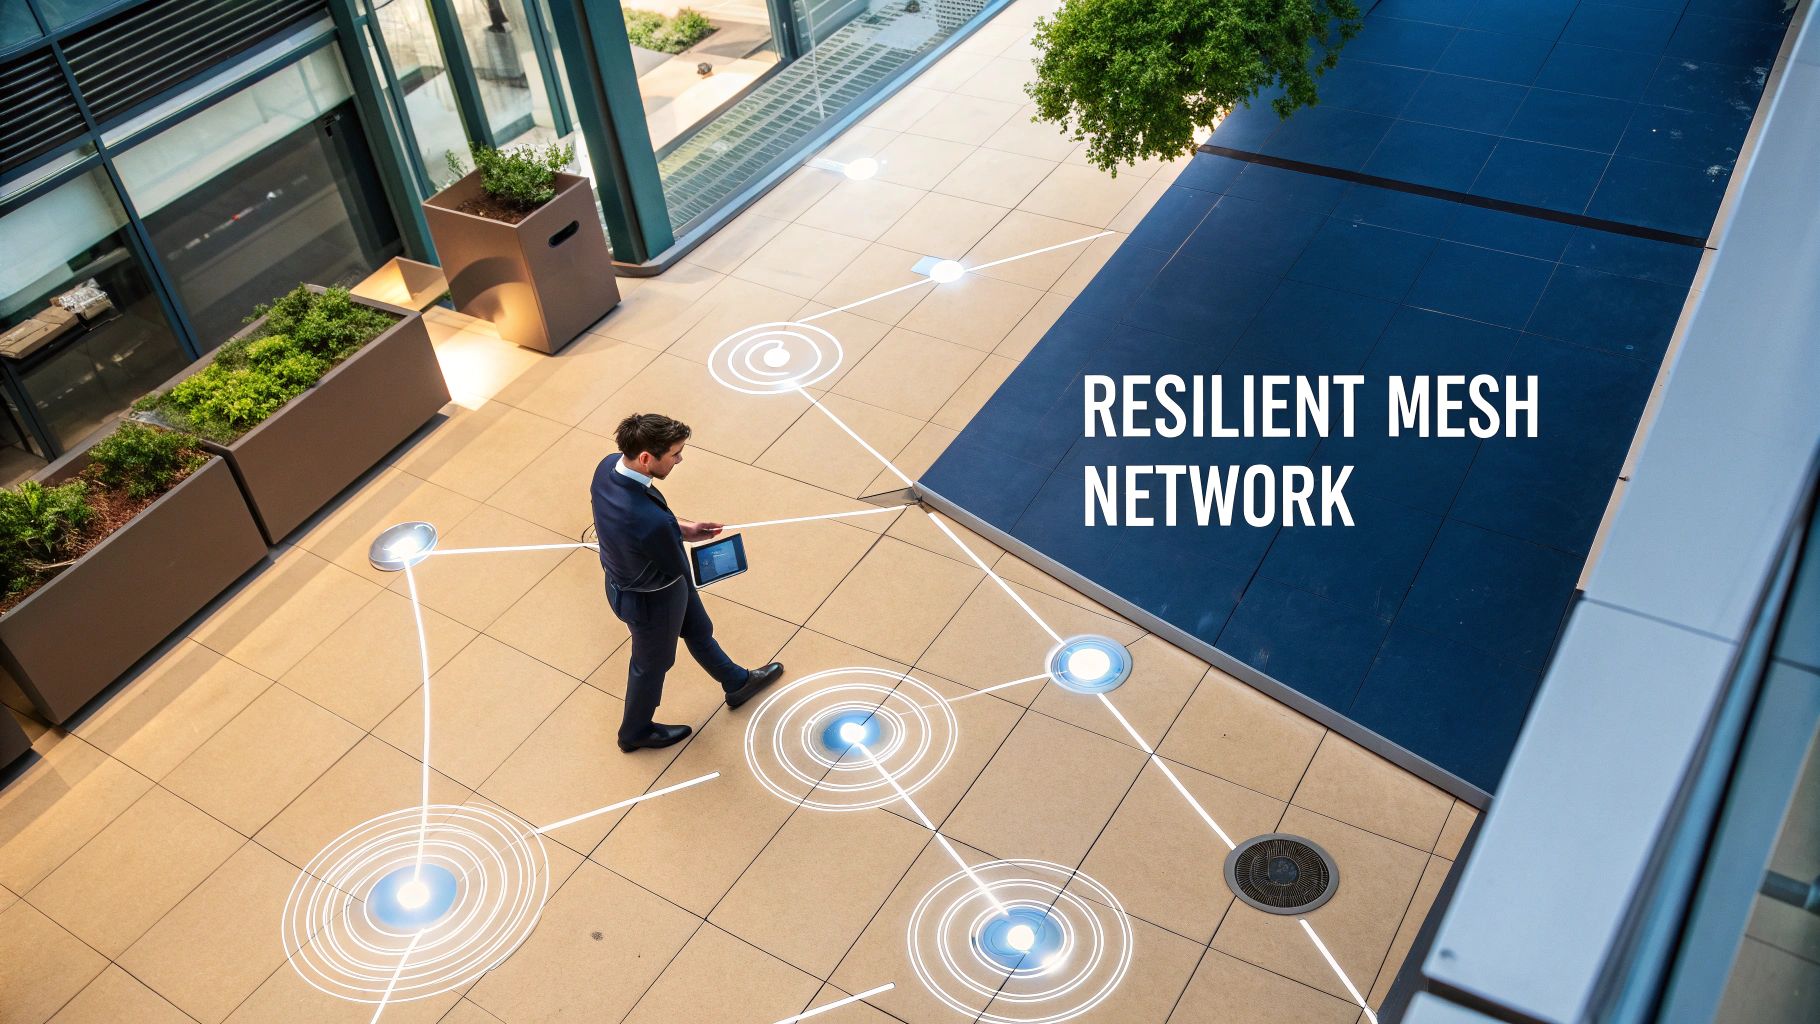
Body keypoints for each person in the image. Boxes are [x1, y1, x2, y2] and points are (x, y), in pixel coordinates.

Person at [591, 413, 784, 752]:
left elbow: (651, 524)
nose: (680, 459)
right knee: (651, 665)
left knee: (698, 628)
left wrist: (683, 528)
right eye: (675, 454)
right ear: (647, 457)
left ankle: (736, 682)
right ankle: (633, 732)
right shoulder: (648, 522)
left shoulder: (607, 469)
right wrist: (684, 543)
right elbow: (676, 563)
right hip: (652, 599)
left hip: (629, 580)